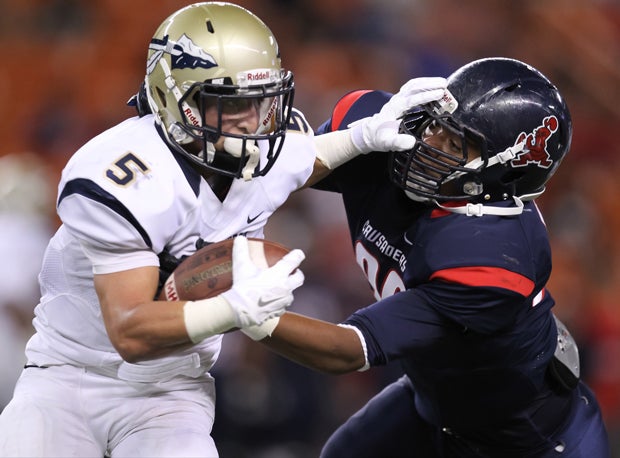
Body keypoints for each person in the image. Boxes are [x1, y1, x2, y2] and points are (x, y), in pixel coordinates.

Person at [0, 3, 448, 457]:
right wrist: (230, 310)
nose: (253, 122)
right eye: (230, 104)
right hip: (71, 381)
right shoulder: (126, 175)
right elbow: (130, 331)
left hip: (172, 391)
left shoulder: (263, 149)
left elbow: (302, 160)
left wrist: (363, 136)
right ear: (175, 101)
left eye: (261, 101)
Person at [239, 57, 611, 457]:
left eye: (455, 145)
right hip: (432, 402)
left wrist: (244, 311)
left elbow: (349, 349)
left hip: (526, 442)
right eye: (436, 124)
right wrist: (354, 140)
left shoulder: (492, 254)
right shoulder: (388, 136)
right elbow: (279, 173)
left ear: (503, 178)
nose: (428, 144)